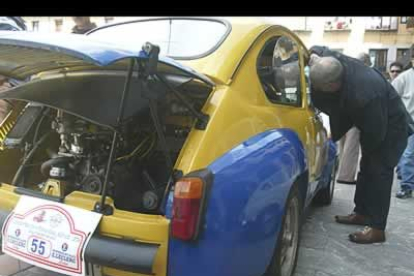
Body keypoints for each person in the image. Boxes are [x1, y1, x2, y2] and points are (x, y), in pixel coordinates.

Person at [308, 46, 412, 244]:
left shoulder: (365, 93)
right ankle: (362, 213)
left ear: (334, 85)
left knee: (379, 173)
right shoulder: (331, 60)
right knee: (365, 167)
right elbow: (318, 50)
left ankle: (377, 228)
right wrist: (310, 55)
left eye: (323, 90)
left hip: (391, 127)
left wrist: (369, 150)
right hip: (372, 121)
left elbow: (377, 132)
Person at [336, 53, 371, 185]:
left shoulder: (347, 74)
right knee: (351, 146)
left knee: (343, 145)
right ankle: (345, 176)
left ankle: (340, 172)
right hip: (354, 115)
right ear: (366, 63)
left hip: (342, 113)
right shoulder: (364, 77)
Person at [392, 66, 414, 199]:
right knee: (408, 154)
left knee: (407, 154)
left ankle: (405, 179)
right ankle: (406, 186)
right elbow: (391, 95)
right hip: (410, 122)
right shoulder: (404, 77)